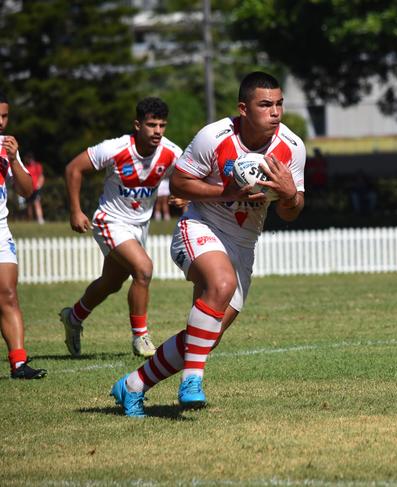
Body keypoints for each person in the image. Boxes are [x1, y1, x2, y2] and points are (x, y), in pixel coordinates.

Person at [110, 71, 306, 417]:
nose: (275, 112)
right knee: (222, 283)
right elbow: (180, 183)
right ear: (243, 109)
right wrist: (225, 192)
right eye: (265, 105)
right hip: (200, 225)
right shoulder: (213, 136)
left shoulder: (291, 147)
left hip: (243, 245)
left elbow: (292, 212)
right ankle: (193, 379)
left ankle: (132, 386)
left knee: (205, 336)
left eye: (279, 104)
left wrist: (290, 195)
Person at [59, 97, 183, 358]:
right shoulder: (114, 148)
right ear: (137, 125)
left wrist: (183, 195)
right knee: (144, 269)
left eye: (162, 125)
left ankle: (74, 317)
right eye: (151, 125)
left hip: (140, 226)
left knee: (112, 282)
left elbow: (186, 177)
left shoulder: (171, 151)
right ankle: (141, 338)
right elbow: (73, 169)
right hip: (110, 221)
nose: (158, 131)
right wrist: (75, 210)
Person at [0, 91, 47, 379]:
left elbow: (27, 191)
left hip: (0, 229)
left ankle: (18, 363)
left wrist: (15, 158)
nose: (1, 122)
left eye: (4, 116)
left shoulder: (6, 149)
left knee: (8, 293)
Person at [23, 152, 45, 224]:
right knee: (29, 204)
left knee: (36, 202)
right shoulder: (25, 167)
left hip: (36, 189)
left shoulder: (37, 166)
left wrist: (39, 185)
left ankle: (40, 219)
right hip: (28, 188)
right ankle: (30, 220)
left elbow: (41, 176)